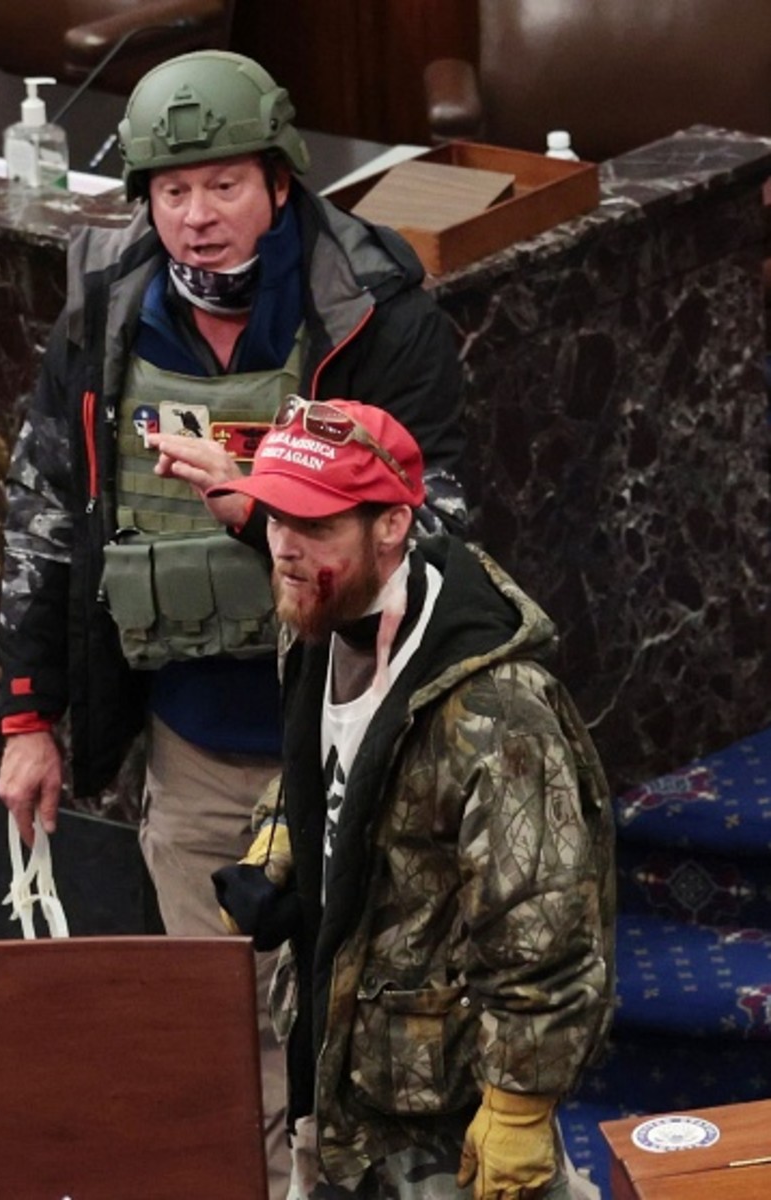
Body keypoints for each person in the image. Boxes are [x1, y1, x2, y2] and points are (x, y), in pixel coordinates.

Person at [0, 49, 467, 1200]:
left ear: (281, 179)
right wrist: (28, 715)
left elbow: (435, 532)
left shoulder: (375, 313)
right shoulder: (108, 305)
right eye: (171, 192)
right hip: (199, 747)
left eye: (223, 186)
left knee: (375, 1031)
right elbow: (46, 514)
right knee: (228, 1035)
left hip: (357, 745)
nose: (197, 219)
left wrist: (264, 508)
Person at [208, 397, 616, 1200]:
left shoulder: (496, 709)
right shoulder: (316, 613)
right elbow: (323, 765)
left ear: (391, 526)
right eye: (276, 513)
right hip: (337, 1071)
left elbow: (545, 923)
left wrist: (519, 1105)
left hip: (443, 1116)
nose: (284, 546)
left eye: (315, 524)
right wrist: (279, 841)